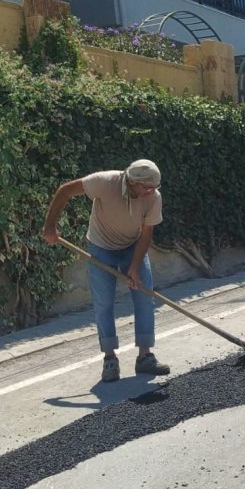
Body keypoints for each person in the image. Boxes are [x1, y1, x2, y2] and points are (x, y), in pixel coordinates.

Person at [42, 159, 170, 383]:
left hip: (132, 247)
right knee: (103, 303)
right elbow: (65, 191)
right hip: (101, 248)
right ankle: (110, 359)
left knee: (144, 297)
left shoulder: (153, 197)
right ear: (132, 182)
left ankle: (145, 357)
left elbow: (147, 232)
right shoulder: (103, 182)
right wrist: (50, 226)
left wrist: (134, 266)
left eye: (154, 187)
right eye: (146, 187)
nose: (151, 192)